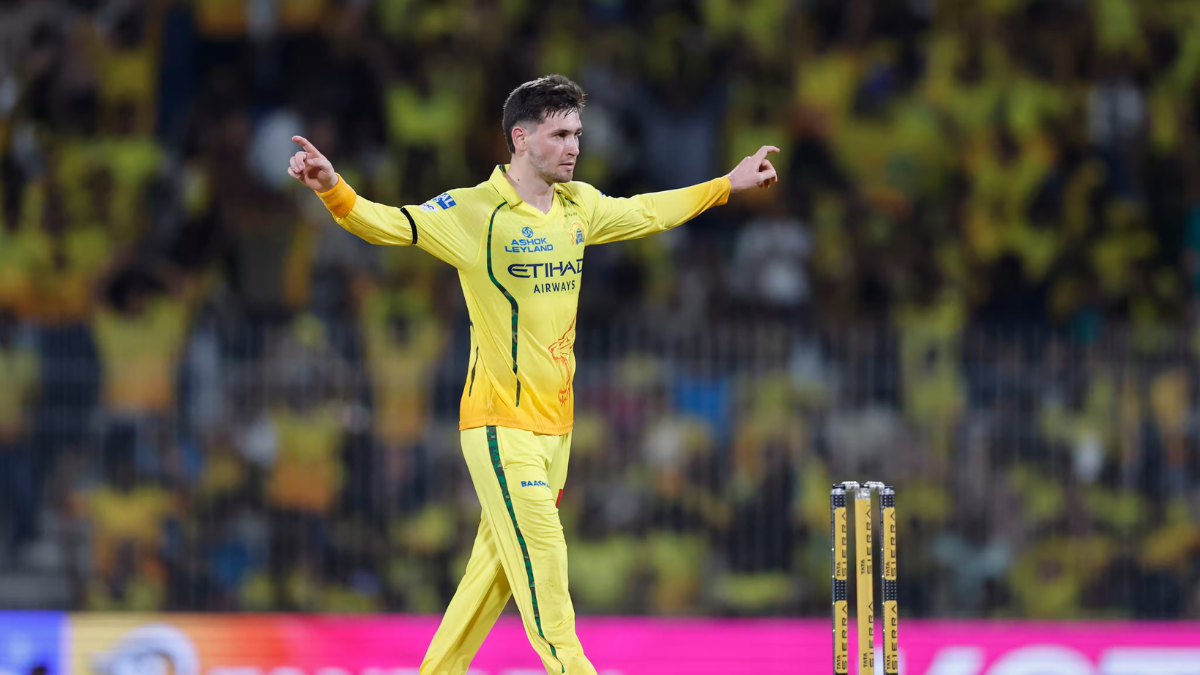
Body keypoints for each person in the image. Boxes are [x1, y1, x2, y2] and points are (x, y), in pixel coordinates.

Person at [288, 74, 778, 675]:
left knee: (491, 577)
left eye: (578, 134)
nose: (575, 147)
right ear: (521, 138)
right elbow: (389, 224)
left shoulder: (579, 206)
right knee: (544, 554)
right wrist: (334, 189)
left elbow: (647, 211)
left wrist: (726, 184)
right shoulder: (472, 211)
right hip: (500, 426)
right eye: (561, 135)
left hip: (557, 433)